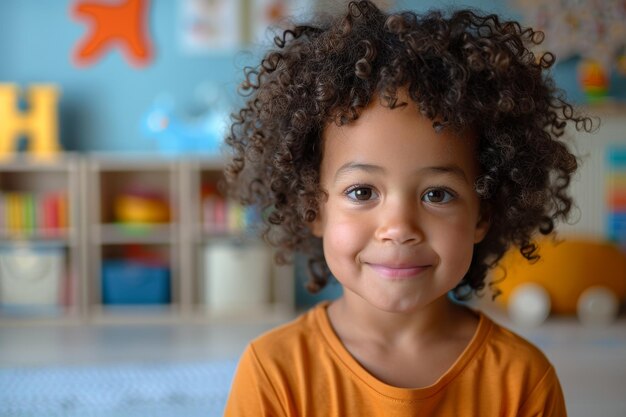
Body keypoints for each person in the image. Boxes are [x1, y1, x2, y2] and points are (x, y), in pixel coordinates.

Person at [222, 1, 591, 415]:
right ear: (313, 208)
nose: (399, 227)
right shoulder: (274, 373)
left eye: (437, 194)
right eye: (362, 192)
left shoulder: (522, 380)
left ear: (482, 213)